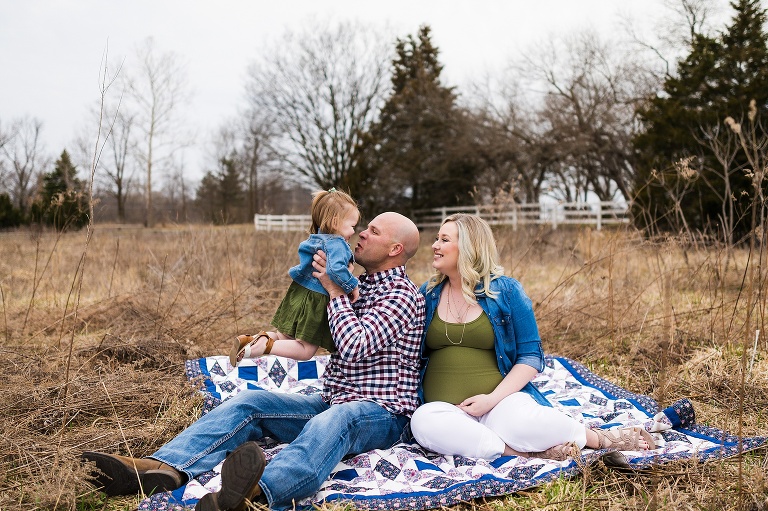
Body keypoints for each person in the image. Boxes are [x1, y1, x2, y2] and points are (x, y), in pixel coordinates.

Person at [81, 212, 425, 511]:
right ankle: (161, 469)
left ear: (396, 249)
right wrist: (271, 341)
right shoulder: (356, 286)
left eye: (375, 231)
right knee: (250, 402)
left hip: (382, 412)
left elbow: (354, 344)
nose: (363, 233)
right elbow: (312, 342)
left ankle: (253, 495)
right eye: (366, 228)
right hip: (333, 399)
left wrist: (335, 291)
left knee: (338, 419)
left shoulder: (402, 295)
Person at [409, 213, 655, 461]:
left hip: (499, 402)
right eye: (437, 238)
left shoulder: (505, 291)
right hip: (444, 411)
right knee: (422, 424)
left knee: (522, 424)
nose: (434, 245)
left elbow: (530, 356)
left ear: (469, 247)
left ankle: (598, 438)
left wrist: (491, 400)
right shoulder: (427, 294)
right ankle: (527, 452)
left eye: (444, 239)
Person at [230, 188, 360, 366]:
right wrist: (352, 285)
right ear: (336, 222)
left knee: (284, 336)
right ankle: (266, 346)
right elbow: (335, 270)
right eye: (352, 226)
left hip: (299, 293)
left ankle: (251, 340)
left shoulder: (316, 238)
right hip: (316, 298)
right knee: (305, 350)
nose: (354, 231)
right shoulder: (336, 243)